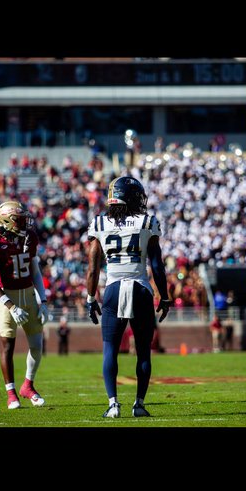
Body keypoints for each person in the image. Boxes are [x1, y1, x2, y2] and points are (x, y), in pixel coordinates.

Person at [86, 175, 171, 418]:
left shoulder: (100, 223)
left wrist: (91, 298)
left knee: (110, 349)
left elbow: (93, 268)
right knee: (143, 350)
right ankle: (139, 404)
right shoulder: (147, 222)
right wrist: (164, 297)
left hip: (112, 289)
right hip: (140, 289)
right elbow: (157, 264)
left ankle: (113, 405)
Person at [0, 200, 48, 411]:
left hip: (28, 295)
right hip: (8, 298)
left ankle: (28, 386)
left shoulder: (30, 238)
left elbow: (35, 270)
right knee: (8, 347)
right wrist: (11, 306)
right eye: (19, 219)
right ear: (7, 221)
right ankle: (11, 393)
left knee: (37, 346)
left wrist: (43, 300)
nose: (24, 223)